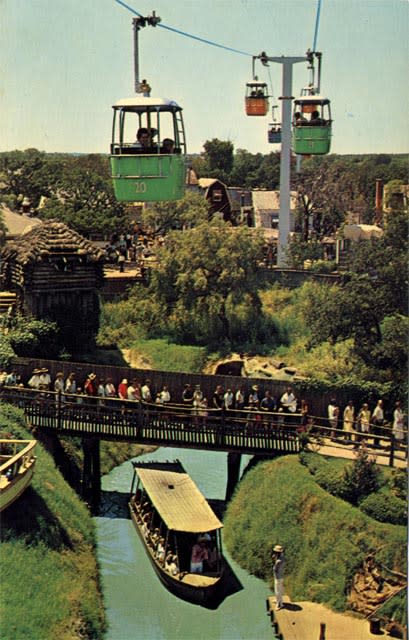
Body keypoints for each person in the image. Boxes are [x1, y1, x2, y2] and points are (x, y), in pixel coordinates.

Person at [272, 544, 285, 610]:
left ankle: (279, 604)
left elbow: (275, 569)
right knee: (280, 589)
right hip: (281, 575)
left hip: (278, 577)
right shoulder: (282, 557)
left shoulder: (278, 561)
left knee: (277, 591)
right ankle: (279, 601)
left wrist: (274, 561)